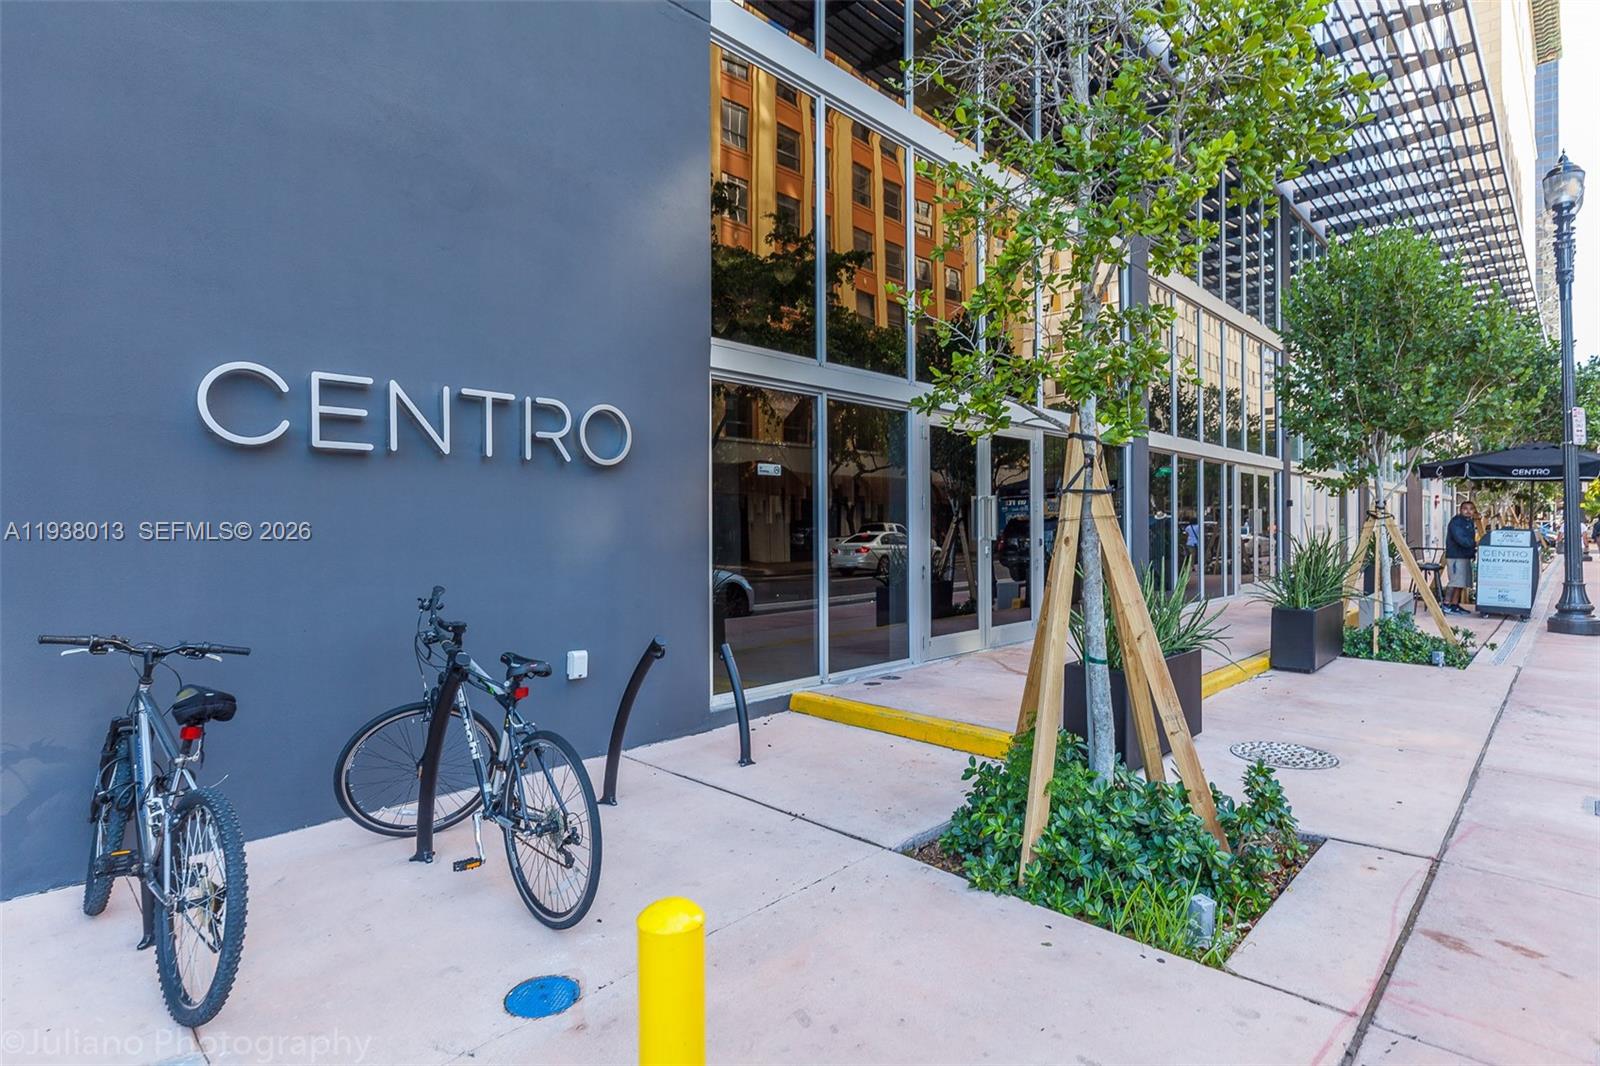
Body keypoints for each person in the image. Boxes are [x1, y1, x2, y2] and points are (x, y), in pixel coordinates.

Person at [1443, 500, 1478, 615]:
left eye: (1471, 509)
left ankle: (1454, 604)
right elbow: (1461, 539)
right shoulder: (1456, 522)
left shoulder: (1469, 522)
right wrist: (1475, 544)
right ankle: (1446, 604)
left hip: (1465, 556)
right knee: (1455, 581)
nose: (1468, 511)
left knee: (1462, 582)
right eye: (1465, 508)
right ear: (1460, 510)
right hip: (1456, 556)